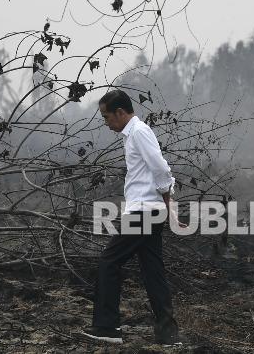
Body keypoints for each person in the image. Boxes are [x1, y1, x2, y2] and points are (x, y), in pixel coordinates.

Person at [81, 89, 181, 346]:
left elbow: (161, 168)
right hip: (149, 210)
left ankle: (107, 328)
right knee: (152, 272)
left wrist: (168, 205)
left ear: (120, 112)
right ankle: (168, 335)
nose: (106, 122)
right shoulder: (133, 134)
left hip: (144, 212)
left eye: (107, 117)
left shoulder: (138, 132)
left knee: (108, 262)